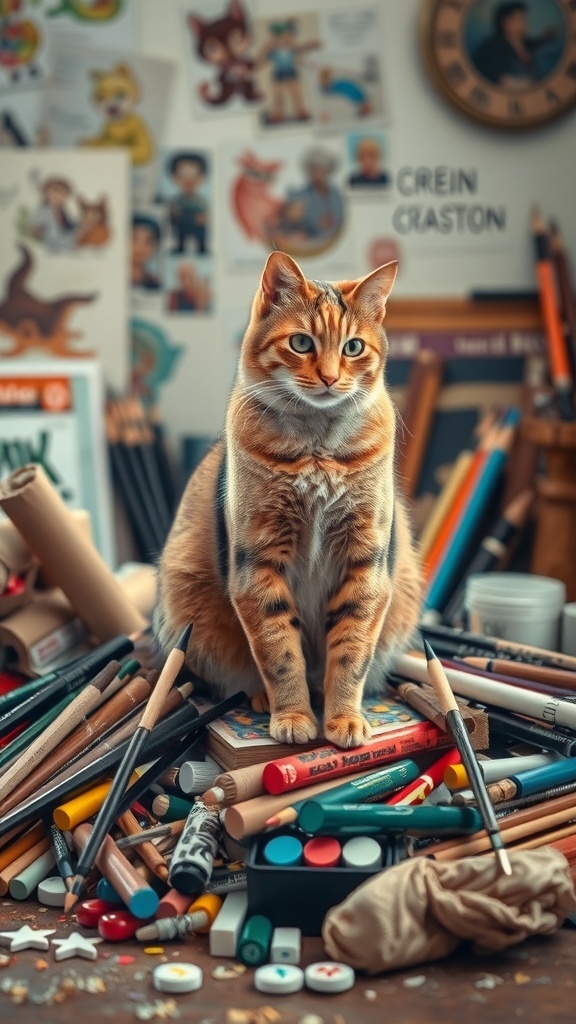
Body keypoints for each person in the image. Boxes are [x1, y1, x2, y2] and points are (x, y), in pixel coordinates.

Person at [472, 2, 558, 86]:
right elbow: (498, 79)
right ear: (506, 23)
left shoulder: (524, 42)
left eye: (524, 19)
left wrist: (548, 37)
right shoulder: (492, 48)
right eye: (520, 19)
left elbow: (536, 43)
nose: (524, 23)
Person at [276, 148, 343, 244]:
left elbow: (339, 220)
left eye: (319, 168)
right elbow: (291, 222)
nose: (316, 173)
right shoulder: (300, 195)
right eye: (312, 168)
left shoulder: (335, 194)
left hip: (334, 243)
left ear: (327, 170)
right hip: (312, 245)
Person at [166, 152, 209, 255]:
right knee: (180, 236)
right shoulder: (175, 200)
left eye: (194, 174)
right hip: (182, 227)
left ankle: (202, 248)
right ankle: (180, 247)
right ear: (174, 177)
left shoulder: (202, 201)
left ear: (202, 177)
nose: (189, 180)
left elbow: (204, 217)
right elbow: (172, 214)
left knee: (200, 239)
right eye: (183, 175)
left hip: (197, 227)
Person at [30, 177, 76, 252]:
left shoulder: (64, 211)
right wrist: (38, 230)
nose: (58, 196)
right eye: (55, 191)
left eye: (62, 193)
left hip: (67, 242)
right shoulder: (42, 210)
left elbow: (71, 225)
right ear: (46, 193)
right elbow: (35, 227)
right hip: (51, 244)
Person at [131, 215, 161, 291]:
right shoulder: (113, 279)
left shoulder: (155, 283)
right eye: (134, 239)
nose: (140, 248)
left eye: (148, 242)